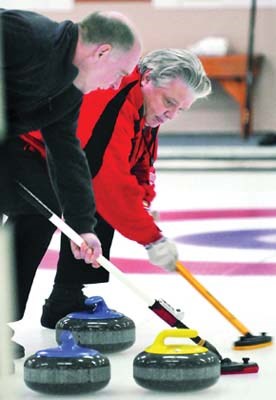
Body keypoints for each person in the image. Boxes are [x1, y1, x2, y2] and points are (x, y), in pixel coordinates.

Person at [8, 48, 211, 351]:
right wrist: (151, 238)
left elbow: (137, 165)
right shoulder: (111, 96)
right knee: (40, 211)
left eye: (180, 109)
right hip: (15, 143)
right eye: (169, 102)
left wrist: (141, 204)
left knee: (89, 201)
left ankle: (66, 299)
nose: (171, 114)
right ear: (147, 79)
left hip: (49, 154)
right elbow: (109, 182)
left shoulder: (143, 106)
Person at [0, 8, 142, 358]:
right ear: (102, 52)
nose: (114, 84)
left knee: (42, 203)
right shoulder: (25, 35)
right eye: (120, 73)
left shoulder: (67, 91)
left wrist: (82, 227)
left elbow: (67, 156)